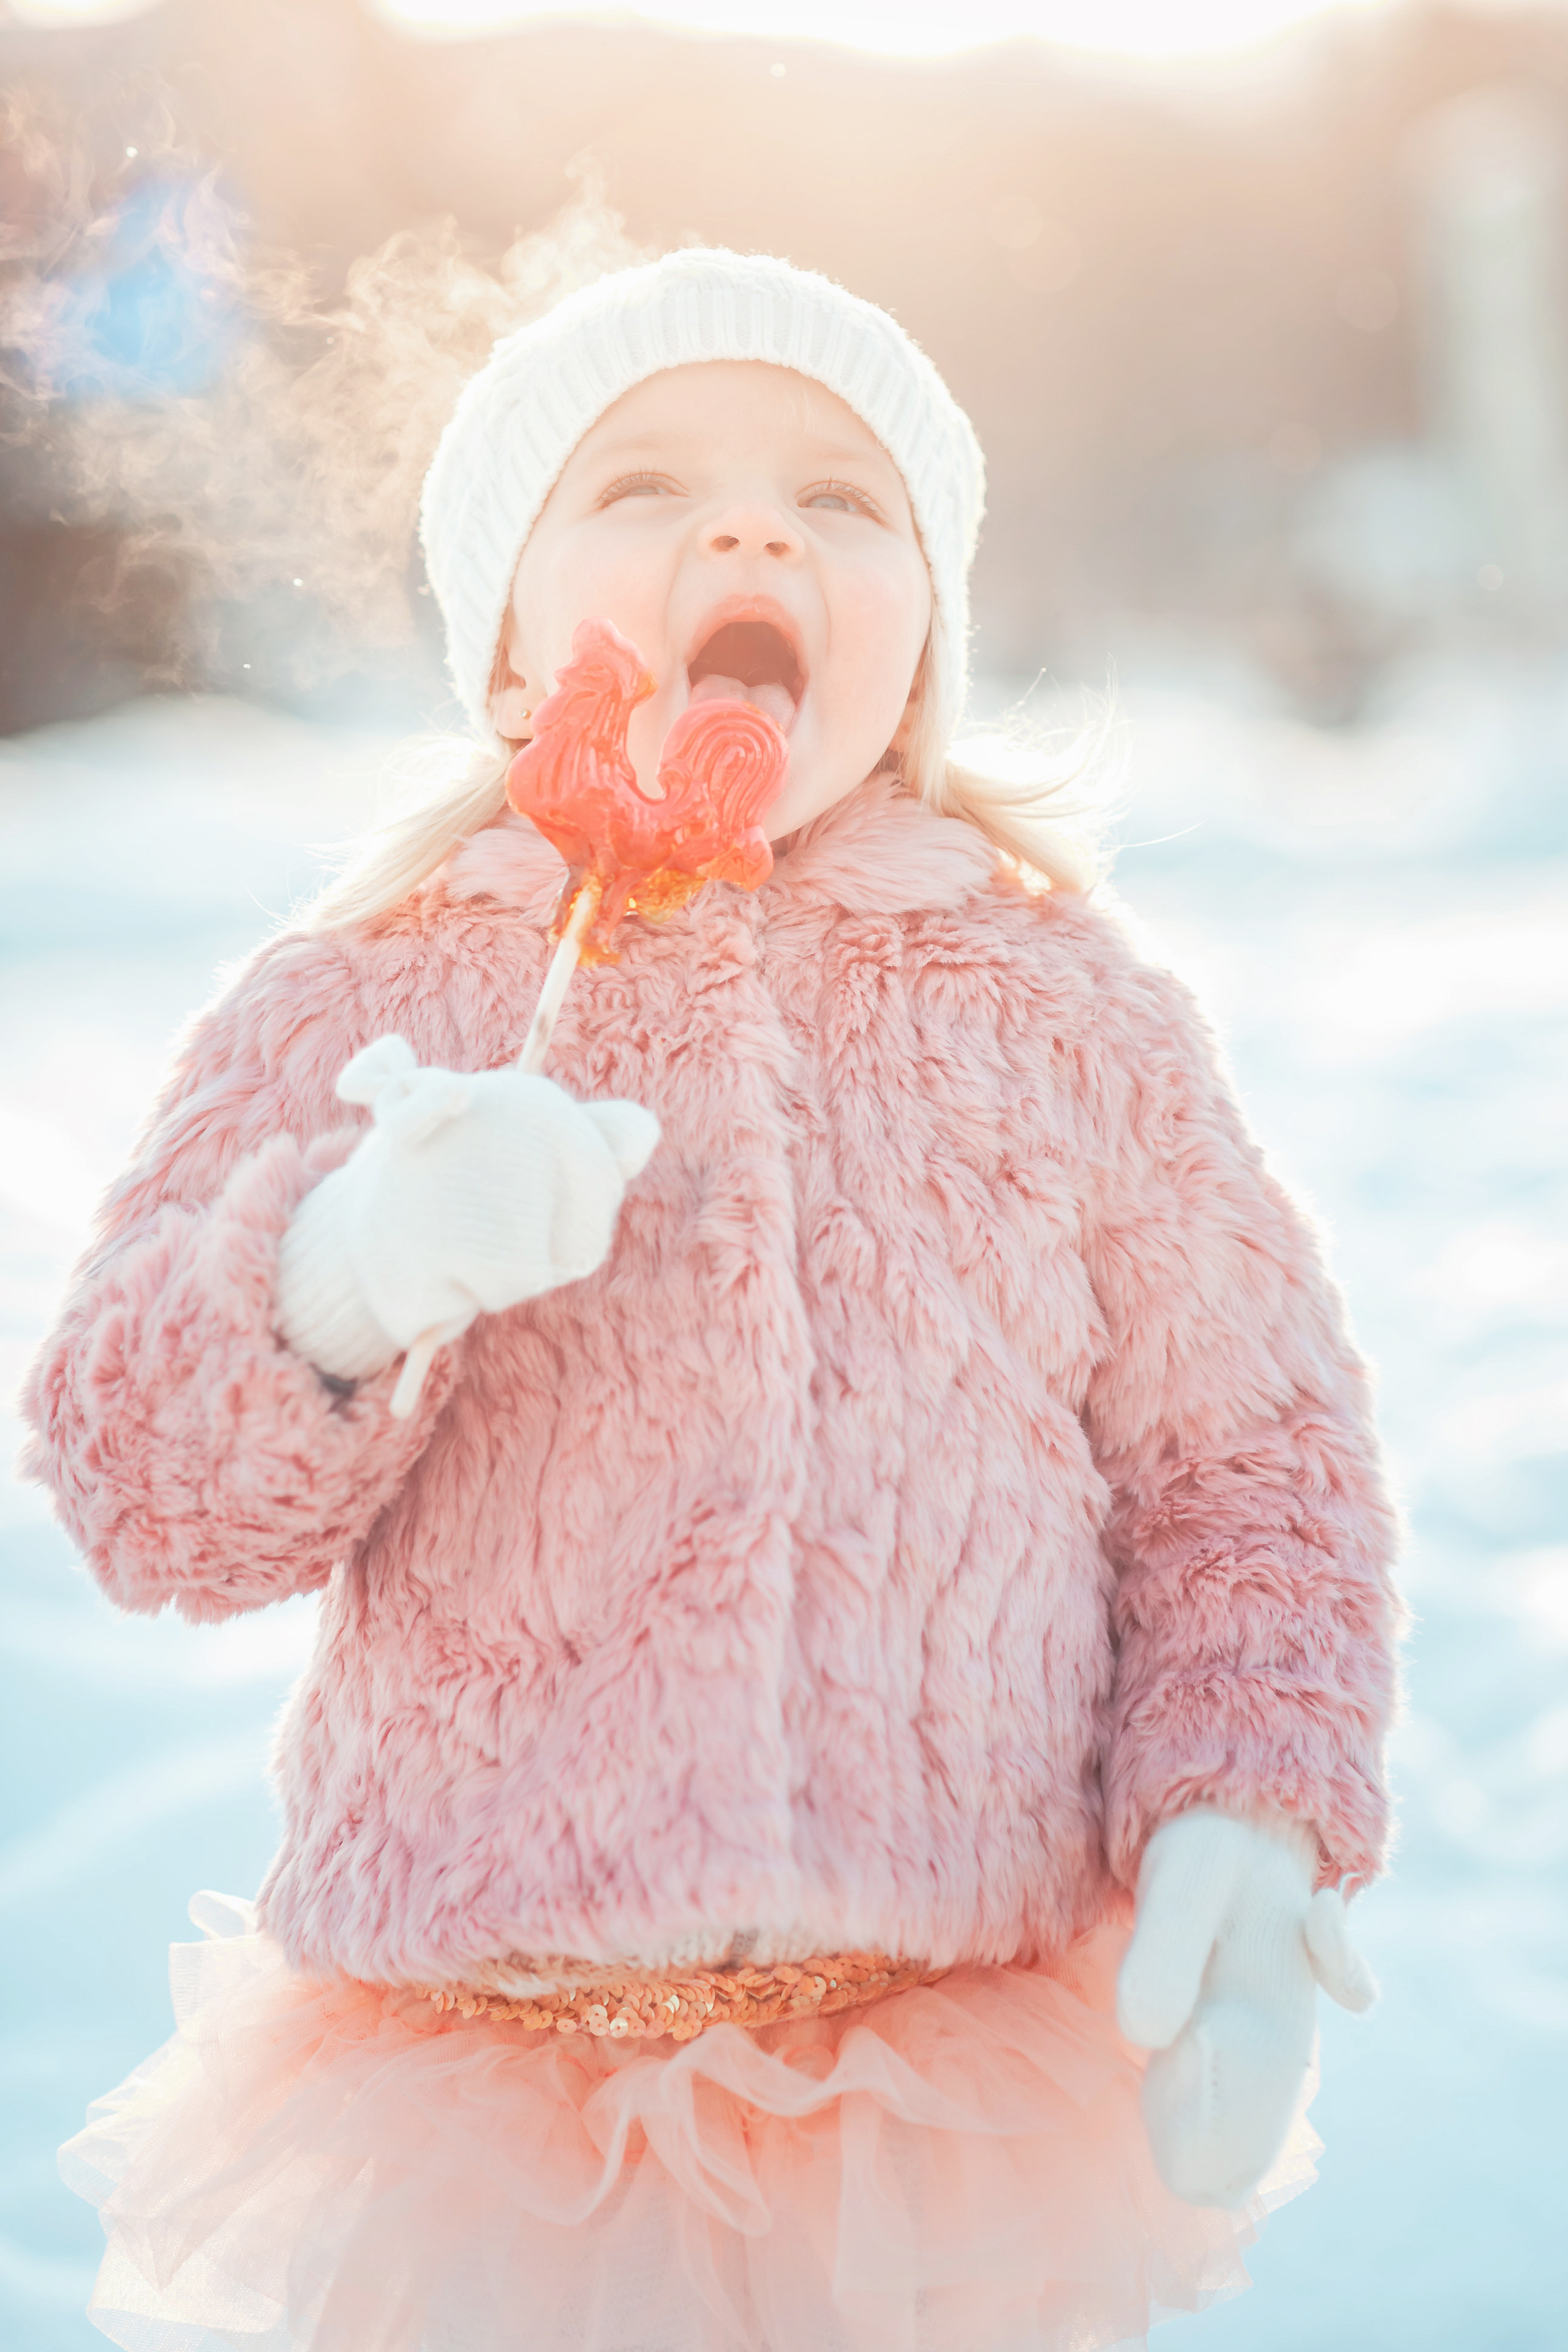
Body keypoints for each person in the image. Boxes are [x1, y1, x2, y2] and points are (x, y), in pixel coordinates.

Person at [24, 247, 1401, 2352]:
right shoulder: (375, 993)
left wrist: (1249, 1808)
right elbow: (139, 1488)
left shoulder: (1063, 1019)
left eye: (843, 502)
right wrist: (346, 1272)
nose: (753, 528)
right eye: (646, 484)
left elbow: (1252, 1460)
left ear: (914, 660)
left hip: (953, 2104)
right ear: (505, 661)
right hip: (493, 2111)